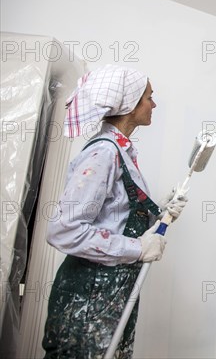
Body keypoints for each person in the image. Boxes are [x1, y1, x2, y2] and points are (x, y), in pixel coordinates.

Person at [42, 65, 187, 358]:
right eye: (149, 97)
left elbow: (116, 218)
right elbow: (63, 230)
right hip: (88, 300)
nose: (153, 104)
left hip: (113, 295)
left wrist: (162, 212)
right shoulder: (103, 153)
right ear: (129, 104)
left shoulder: (122, 152)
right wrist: (136, 248)